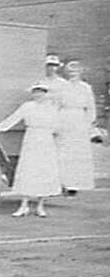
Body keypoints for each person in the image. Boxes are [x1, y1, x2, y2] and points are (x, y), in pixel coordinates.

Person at [0, 82, 60, 217]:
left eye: (42, 92)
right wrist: (0, 128)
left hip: (46, 140)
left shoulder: (52, 108)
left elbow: (58, 126)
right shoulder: (27, 107)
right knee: (29, 170)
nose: (38, 94)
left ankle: (40, 205)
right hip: (32, 139)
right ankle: (24, 205)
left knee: (44, 170)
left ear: (46, 93)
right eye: (36, 92)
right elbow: (14, 118)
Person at [57, 60, 97, 195]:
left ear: (80, 72)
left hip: (79, 121)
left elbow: (91, 108)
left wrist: (88, 124)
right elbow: (57, 105)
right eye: (70, 72)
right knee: (64, 153)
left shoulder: (85, 88)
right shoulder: (62, 87)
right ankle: (63, 183)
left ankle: (76, 183)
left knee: (78, 154)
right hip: (64, 119)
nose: (72, 74)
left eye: (75, 72)